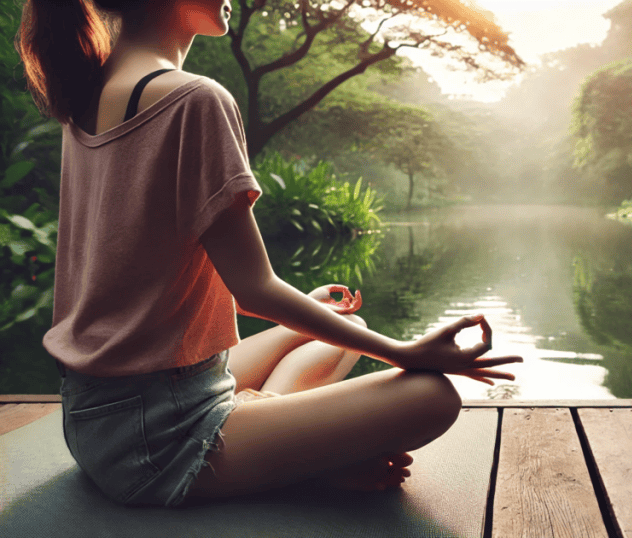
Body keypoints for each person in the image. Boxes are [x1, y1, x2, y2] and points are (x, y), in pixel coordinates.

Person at [14, 0, 522, 508]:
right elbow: (255, 291)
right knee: (430, 396)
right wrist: (407, 353)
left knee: (349, 334)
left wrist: (309, 307)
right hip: (160, 439)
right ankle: (291, 456)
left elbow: (153, 277)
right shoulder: (194, 99)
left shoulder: (87, 93)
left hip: (94, 417)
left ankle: (274, 436)